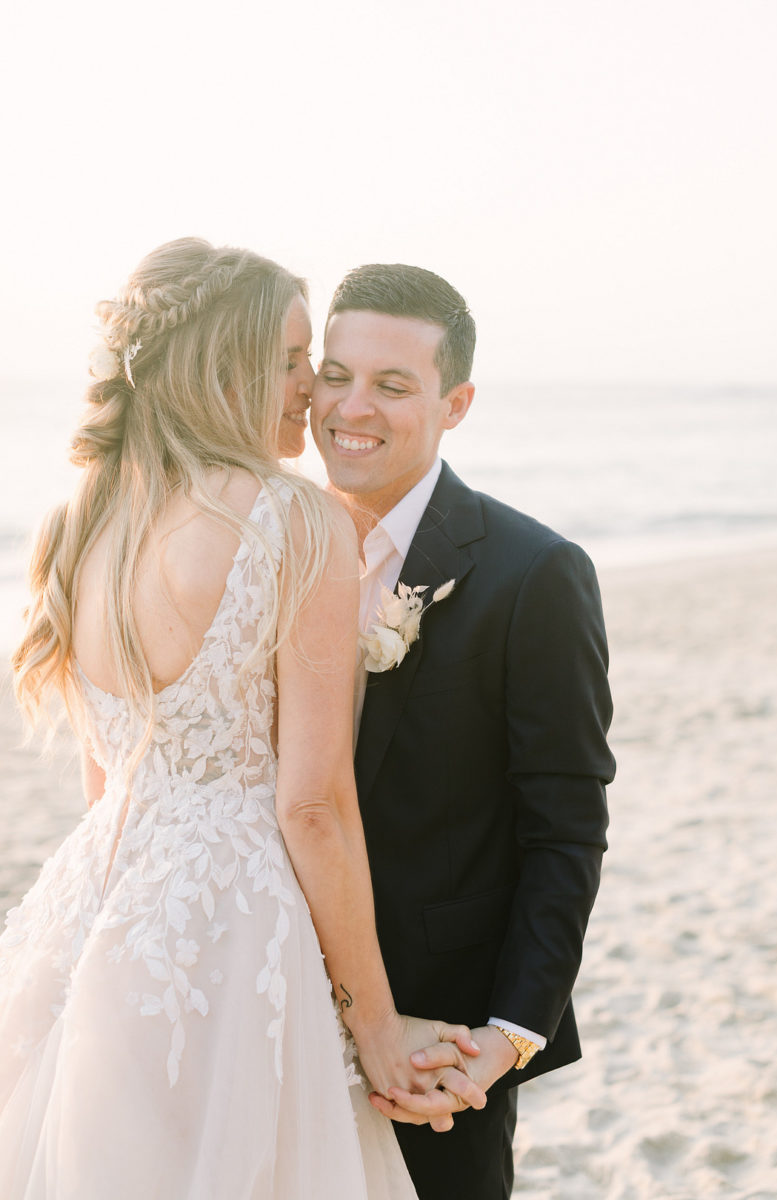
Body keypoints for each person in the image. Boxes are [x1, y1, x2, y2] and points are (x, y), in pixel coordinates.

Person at [0, 239, 485, 1199]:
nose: (313, 388)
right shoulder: (293, 519)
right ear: (226, 367)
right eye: (293, 359)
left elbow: (108, 771)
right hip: (225, 925)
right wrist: (376, 1026)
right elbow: (311, 805)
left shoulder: (81, 520)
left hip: (99, 910)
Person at [311, 263, 616, 1200]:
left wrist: (508, 1035)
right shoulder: (265, 545)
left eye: (392, 385)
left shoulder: (535, 574)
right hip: (264, 994)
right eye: (334, 374)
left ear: (457, 404)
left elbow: (564, 826)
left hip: (435, 1032)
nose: (350, 407)